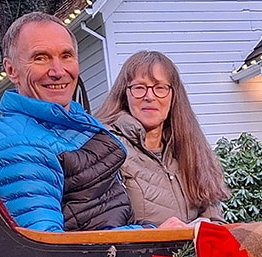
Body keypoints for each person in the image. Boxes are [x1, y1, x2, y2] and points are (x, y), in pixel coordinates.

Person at [0, 12, 146, 232]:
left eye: (66, 55)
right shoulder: (21, 147)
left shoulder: (70, 124)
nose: (58, 71)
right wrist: (153, 234)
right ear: (11, 70)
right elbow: (48, 251)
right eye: (40, 57)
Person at [95, 51, 230, 227]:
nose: (149, 96)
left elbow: (216, 222)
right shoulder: (108, 149)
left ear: (173, 96)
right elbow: (102, 228)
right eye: (139, 87)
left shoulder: (190, 148)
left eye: (160, 87)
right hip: (140, 253)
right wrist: (156, 235)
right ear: (124, 94)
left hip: (193, 253)